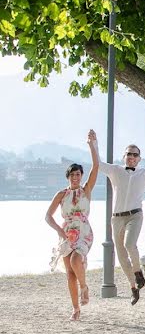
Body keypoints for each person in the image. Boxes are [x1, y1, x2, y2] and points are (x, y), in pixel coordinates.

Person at [96, 137, 145, 304]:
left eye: (135, 155)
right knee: (121, 256)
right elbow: (97, 163)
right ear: (124, 156)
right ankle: (133, 287)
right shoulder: (115, 170)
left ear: (139, 159)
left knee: (129, 244)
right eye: (129, 154)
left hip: (135, 215)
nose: (131, 157)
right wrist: (93, 144)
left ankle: (138, 271)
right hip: (117, 217)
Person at [46, 129, 99, 321]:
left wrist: (92, 144)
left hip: (83, 231)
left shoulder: (87, 190)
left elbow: (96, 166)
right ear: (68, 177)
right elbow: (48, 217)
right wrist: (61, 232)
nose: (76, 177)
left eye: (78, 174)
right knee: (69, 273)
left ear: (82, 176)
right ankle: (76, 308)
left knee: (77, 260)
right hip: (67, 232)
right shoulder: (61, 194)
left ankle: (84, 287)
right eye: (72, 175)